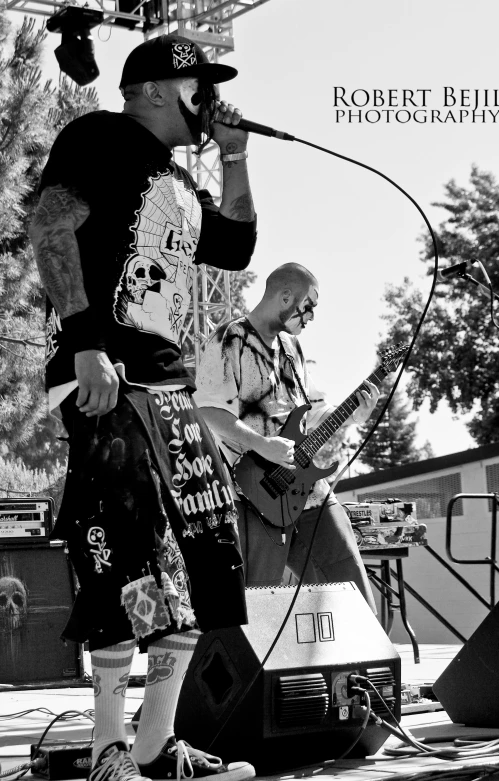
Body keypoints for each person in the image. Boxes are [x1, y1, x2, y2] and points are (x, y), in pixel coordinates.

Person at [30, 33, 257, 781]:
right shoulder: (100, 136)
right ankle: (107, 749)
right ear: (157, 88)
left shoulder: (180, 181)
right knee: (129, 560)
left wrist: (232, 155)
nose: (211, 101)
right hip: (111, 374)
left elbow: (235, 247)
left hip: (171, 390)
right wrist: (85, 339)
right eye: (202, 87)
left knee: (190, 568)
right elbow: (50, 223)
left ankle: (158, 745)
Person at [194, 263, 378, 607]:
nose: (311, 317)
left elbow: (302, 415)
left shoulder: (293, 348)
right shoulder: (230, 338)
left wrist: (354, 415)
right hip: (252, 493)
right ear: (285, 296)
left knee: (349, 582)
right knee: (259, 603)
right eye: (309, 306)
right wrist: (262, 444)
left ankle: (356, 661)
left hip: (308, 490)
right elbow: (208, 411)